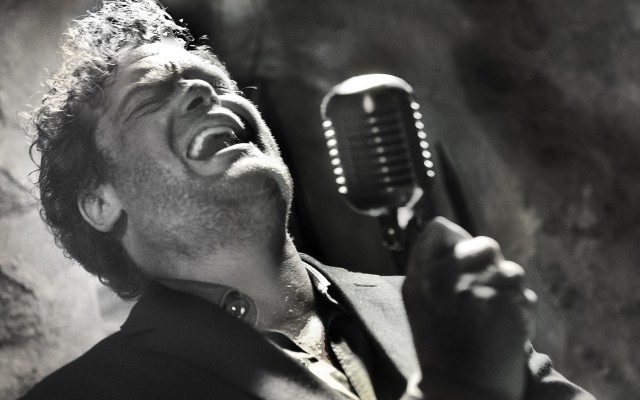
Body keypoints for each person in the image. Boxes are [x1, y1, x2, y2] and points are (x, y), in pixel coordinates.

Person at [20, 1, 595, 399]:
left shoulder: (437, 306)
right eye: (150, 98)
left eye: (217, 83)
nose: (202, 89)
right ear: (100, 203)